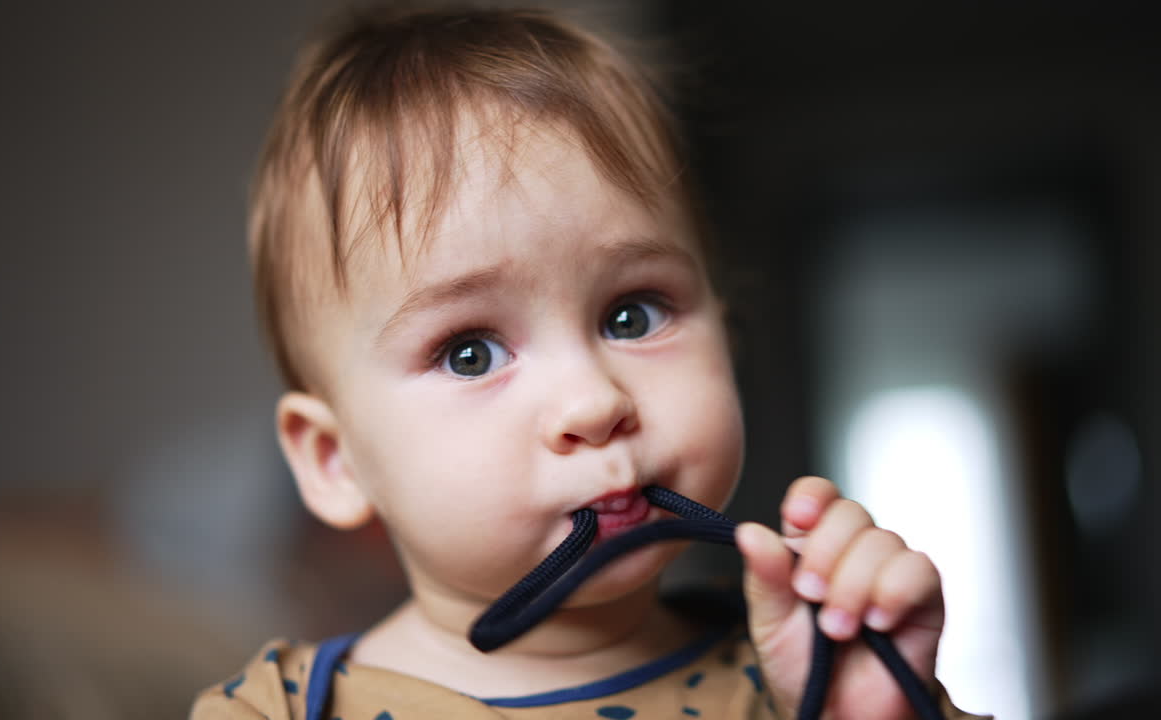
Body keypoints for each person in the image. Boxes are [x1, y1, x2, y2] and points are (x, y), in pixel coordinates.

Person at [191, 5, 986, 718]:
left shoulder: (795, 676)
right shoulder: (282, 711)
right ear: (335, 460)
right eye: (470, 354)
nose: (593, 402)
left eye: (630, 314)